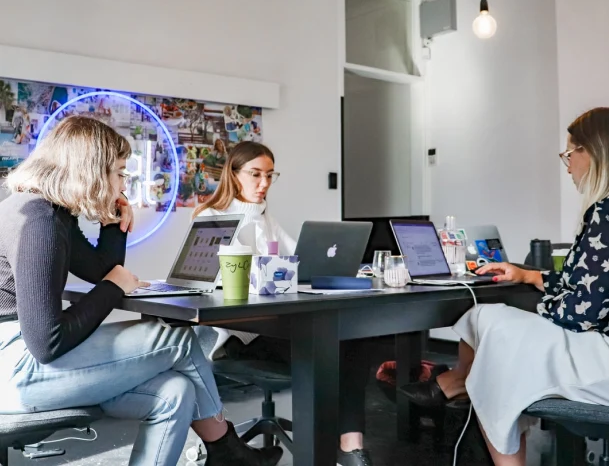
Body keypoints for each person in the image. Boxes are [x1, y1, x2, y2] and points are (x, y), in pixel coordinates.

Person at [0, 116, 283, 466]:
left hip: (25, 359)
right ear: (92, 170)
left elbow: (101, 270)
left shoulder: (51, 212)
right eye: (119, 172)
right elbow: (46, 342)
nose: (123, 182)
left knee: (174, 392)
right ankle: (228, 450)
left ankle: (227, 454)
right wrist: (111, 287)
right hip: (15, 368)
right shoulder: (38, 221)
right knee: (178, 339)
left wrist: (113, 224)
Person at [400, 107, 609, 465]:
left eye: (569, 154)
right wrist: (526, 275)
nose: (568, 164)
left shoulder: (605, 214)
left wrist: (535, 310)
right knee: (486, 319)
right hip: (594, 342)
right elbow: (586, 282)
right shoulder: (600, 212)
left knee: (494, 330)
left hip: (598, 354)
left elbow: (583, 312)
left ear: (591, 152)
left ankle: (457, 384)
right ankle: (459, 383)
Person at [192, 141, 375, 466]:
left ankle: (351, 445)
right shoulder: (211, 217)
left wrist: (347, 267)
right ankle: (341, 447)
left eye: (270, 176)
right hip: (238, 336)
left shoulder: (265, 218)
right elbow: (213, 285)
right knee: (338, 348)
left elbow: (299, 259)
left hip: (277, 327)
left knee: (351, 339)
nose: (264, 184)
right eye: (255, 174)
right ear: (234, 174)